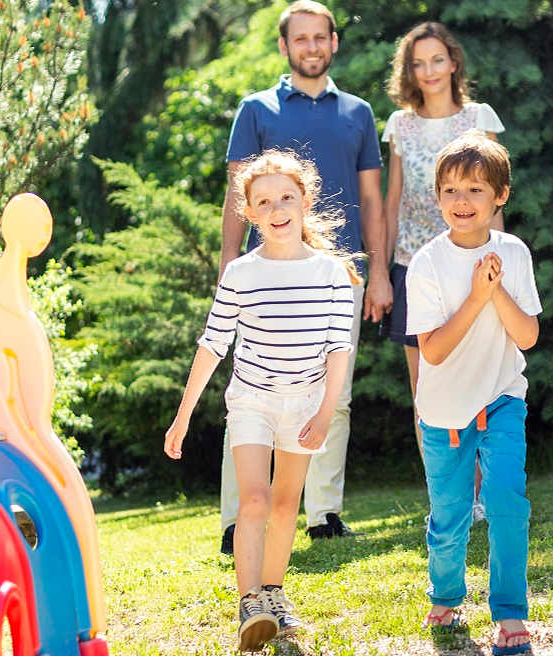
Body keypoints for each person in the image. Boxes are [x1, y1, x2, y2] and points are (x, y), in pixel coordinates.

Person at [164, 150, 360, 651]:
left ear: (305, 201)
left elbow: (340, 349)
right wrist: (182, 418)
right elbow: (212, 344)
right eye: (265, 201)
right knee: (252, 500)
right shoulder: (241, 274)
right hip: (251, 400)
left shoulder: (333, 274)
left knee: (284, 503)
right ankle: (250, 603)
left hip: (306, 403)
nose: (277, 208)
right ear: (249, 212)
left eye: (287, 197)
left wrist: (323, 413)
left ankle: (274, 594)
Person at [217, 0, 384, 554]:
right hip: (265, 278)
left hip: (339, 273)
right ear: (286, 47)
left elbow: (371, 200)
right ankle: (238, 519)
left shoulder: (359, 113)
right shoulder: (255, 109)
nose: (311, 46)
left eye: (321, 38)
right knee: (250, 392)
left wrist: (377, 271)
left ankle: (324, 512)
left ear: (334, 43)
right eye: (301, 39)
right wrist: (227, 270)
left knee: (332, 395)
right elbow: (235, 200)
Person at [406, 133, 539, 655]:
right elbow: (433, 352)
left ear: (500, 195)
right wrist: (477, 294)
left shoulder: (513, 253)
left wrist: (496, 290)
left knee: (507, 501)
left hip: (503, 398)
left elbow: (526, 336)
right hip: (443, 413)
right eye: (451, 190)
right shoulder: (427, 264)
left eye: (476, 189)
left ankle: (510, 614)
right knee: (451, 514)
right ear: (437, 198)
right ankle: (446, 594)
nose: (462, 202)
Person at [381, 22, 505, 523]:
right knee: (427, 391)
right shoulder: (399, 126)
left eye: (437, 59)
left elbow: (495, 196)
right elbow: (392, 203)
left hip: (474, 266)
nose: (428, 71)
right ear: (408, 71)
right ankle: (446, 498)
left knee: (479, 382)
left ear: (453, 62)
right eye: (418, 62)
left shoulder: (479, 118)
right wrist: (380, 275)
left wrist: (502, 261)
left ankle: (479, 496)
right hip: (415, 266)